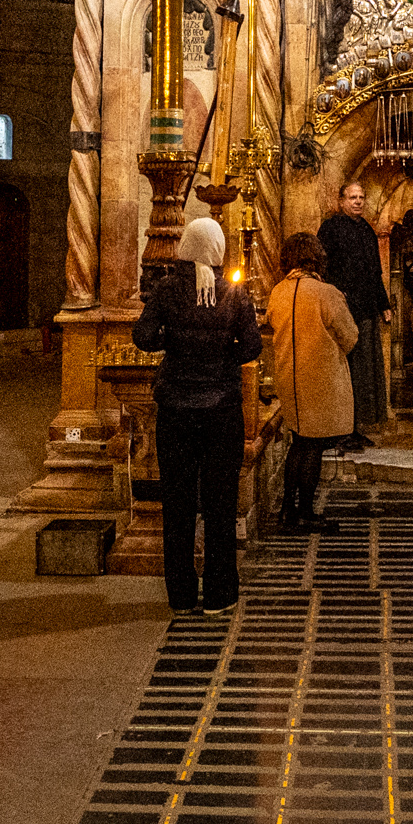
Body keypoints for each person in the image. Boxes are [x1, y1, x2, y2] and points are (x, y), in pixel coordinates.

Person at [134, 217, 261, 616]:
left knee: (178, 502)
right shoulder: (233, 293)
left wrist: (172, 344)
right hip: (221, 409)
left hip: (176, 409)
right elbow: (253, 346)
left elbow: (143, 337)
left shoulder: (167, 289)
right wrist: (223, 357)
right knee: (221, 503)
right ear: (218, 250)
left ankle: (182, 595)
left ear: (185, 248)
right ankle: (220, 594)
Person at [266, 232, 360, 535]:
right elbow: (350, 336)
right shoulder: (326, 293)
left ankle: (287, 510)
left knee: (299, 443)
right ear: (316, 259)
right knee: (313, 447)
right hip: (319, 379)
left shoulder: (277, 292)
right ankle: (304, 512)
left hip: (288, 377)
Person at [316, 181, 392, 440]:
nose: (358, 201)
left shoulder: (368, 231)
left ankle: (357, 425)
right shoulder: (330, 228)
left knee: (363, 372)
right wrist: (335, 294)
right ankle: (340, 429)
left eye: (361, 197)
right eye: (353, 197)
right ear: (341, 201)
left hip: (366, 309)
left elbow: (375, 273)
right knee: (344, 370)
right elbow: (322, 267)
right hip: (342, 310)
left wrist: (384, 305)